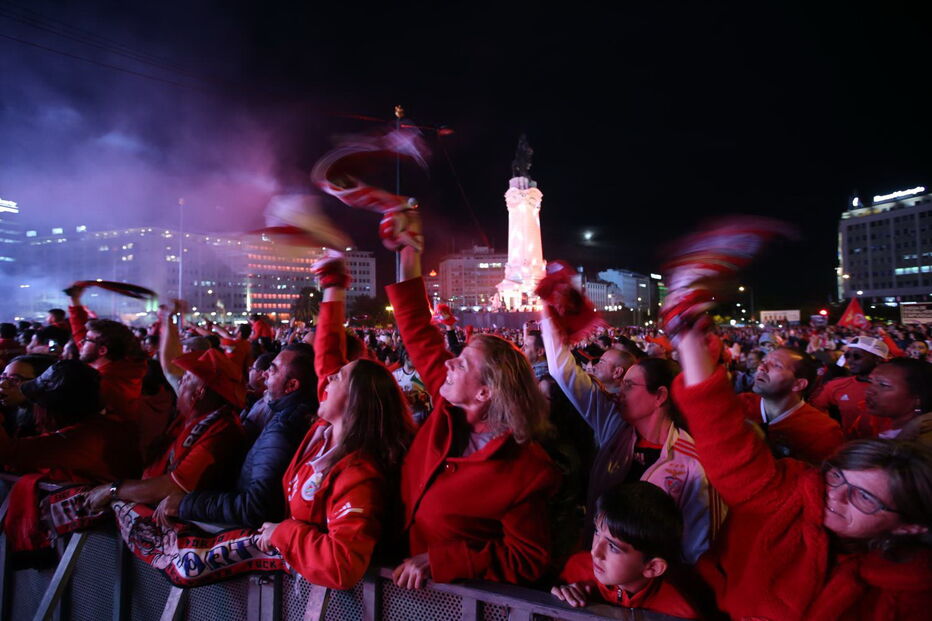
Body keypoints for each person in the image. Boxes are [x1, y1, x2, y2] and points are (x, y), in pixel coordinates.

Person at [673, 322, 932, 620]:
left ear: (910, 526)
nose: (836, 497)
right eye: (836, 477)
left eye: (863, 497)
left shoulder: (912, 597)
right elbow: (722, 433)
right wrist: (692, 344)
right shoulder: (791, 494)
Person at [388, 222, 560, 588]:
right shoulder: (448, 404)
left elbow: (527, 560)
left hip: (448, 600)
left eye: (462, 362)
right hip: (390, 573)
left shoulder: (527, 472)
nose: (448, 363)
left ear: (484, 393)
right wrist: (408, 253)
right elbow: (418, 329)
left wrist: (443, 561)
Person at [254, 258, 415, 589]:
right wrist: (333, 288)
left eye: (337, 379)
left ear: (355, 400)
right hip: (301, 584)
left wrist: (282, 533)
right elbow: (326, 354)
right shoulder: (323, 435)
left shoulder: (360, 475)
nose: (324, 383)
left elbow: (342, 565)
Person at [540, 311, 720, 563]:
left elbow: (696, 549)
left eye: (629, 386)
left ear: (659, 396)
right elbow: (563, 371)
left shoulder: (692, 463)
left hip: (652, 586)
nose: (618, 393)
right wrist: (549, 316)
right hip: (595, 565)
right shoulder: (613, 425)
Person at [154, 344, 316, 529]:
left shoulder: (283, 429)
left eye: (272, 369)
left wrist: (186, 504)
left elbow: (256, 506)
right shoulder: (288, 416)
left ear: (291, 385)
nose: (264, 374)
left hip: (236, 529)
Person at [87, 348, 246, 510]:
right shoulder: (191, 415)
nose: (179, 382)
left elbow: (171, 487)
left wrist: (112, 489)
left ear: (200, 391)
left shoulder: (220, 434)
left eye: (186, 378)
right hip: (144, 495)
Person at [551, 483, 699, 619]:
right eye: (597, 531)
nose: (595, 552)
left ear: (652, 567)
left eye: (613, 547)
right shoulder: (577, 569)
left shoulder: (677, 614)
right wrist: (560, 604)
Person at [0, 360, 141, 482]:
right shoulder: (106, 425)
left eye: (38, 402)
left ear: (55, 408)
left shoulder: (83, 439)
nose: (34, 407)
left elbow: (7, 452)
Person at [738, 347, 843, 463]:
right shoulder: (738, 405)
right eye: (763, 362)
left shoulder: (824, 432)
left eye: (777, 365)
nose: (761, 368)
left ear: (798, 384)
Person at [68, 287, 147, 423]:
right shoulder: (121, 368)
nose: (81, 342)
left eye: (86, 340)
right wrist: (75, 300)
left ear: (102, 351)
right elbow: (80, 332)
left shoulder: (105, 385)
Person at [811, 335, 891, 439]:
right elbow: (814, 410)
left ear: (878, 359)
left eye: (857, 356)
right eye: (847, 355)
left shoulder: (898, 386)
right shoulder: (836, 386)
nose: (850, 360)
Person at [866, 357, 932, 444]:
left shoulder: (923, 444)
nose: (869, 391)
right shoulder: (897, 434)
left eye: (883, 385)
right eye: (870, 381)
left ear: (918, 398)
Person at [0, 354, 55, 437]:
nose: (2, 384)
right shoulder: (9, 411)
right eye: (3, 377)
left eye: (14, 380)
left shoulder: (50, 424)